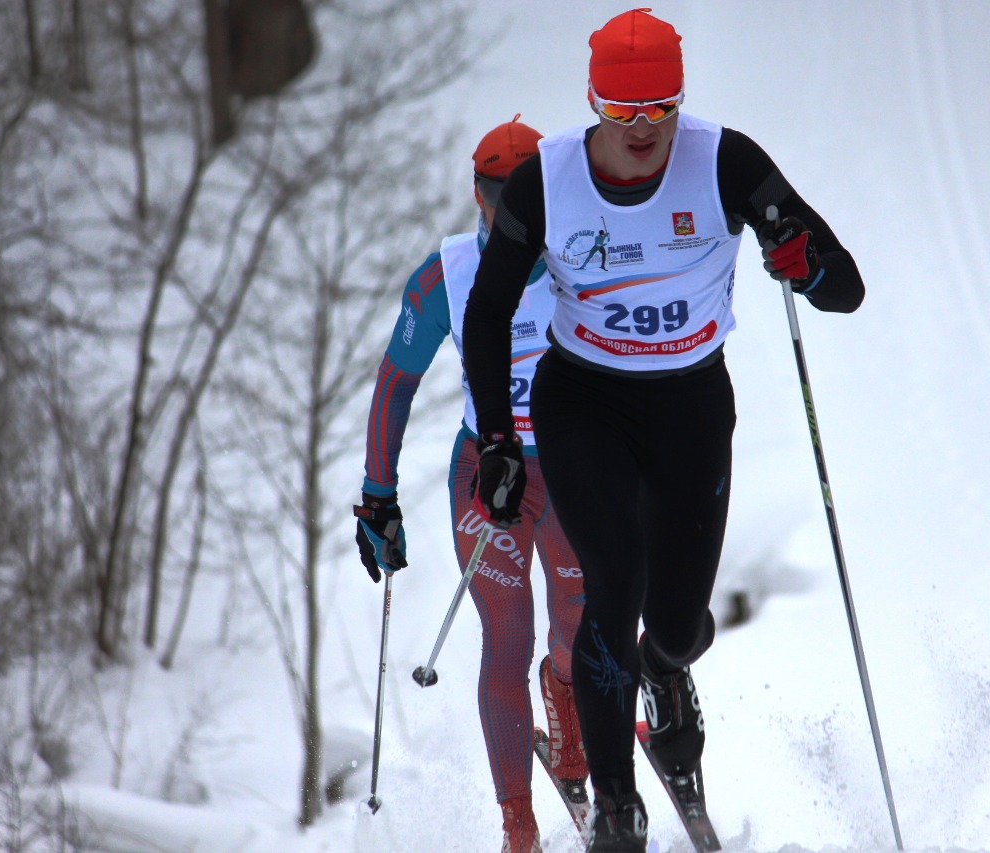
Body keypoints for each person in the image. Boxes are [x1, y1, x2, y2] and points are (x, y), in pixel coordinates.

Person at [460, 9, 866, 852]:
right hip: (584, 404)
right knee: (614, 581)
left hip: (689, 405)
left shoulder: (727, 162)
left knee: (675, 621)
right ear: (594, 104)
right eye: (623, 113)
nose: (643, 131)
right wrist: (498, 438)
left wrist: (805, 259)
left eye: (660, 110)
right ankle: (618, 808)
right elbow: (490, 310)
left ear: (681, 101)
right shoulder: (548, 178)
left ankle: (668, 671)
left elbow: (844, 288)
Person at [353, 116, 590, 853]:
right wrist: (378, 495)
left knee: (580, 629)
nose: (506, 204)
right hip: (488, 475)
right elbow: (396, 380)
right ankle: (518, 825)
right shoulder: (447, 275)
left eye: (525, 190)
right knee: (505, 635)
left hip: (577, 464)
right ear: (476, 192)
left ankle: (568, 702)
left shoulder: (587, 254)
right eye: (495, 190)